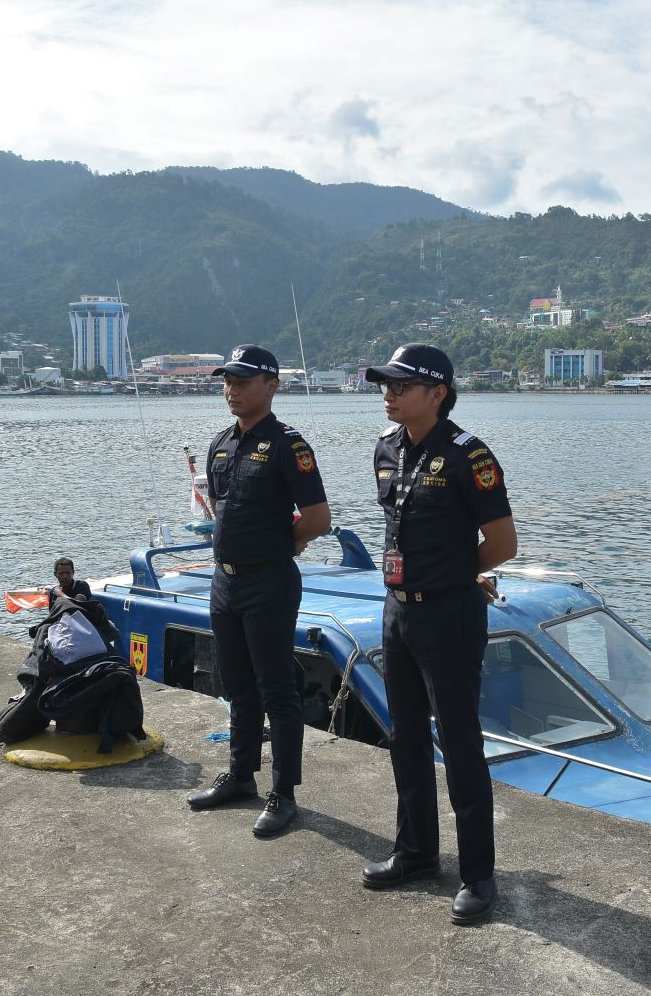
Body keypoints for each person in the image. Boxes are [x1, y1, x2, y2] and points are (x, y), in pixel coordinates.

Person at [360, 343, 517, 925]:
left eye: (401, 385)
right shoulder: (386, 449)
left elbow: (502, 543)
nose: (389, 393)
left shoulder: (468, 455)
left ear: (438, 394)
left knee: (459, 739)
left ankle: (478, 873)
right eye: (386, 385)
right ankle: (417, 851)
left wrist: (456, 576)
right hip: (396, 610)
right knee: (404, 735)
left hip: (449, 613)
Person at [185, 344, 331, 838]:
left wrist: (274, 547)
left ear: (271, 385)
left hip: (269, 581)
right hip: (224, 581)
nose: (232, 390)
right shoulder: (222, 444)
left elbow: (317, 518)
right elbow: (223, 509)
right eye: (227, 380)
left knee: (277, 690)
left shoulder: (289, 445)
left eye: (243, 381)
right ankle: (241, 776)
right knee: (236, 684)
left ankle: (283, 793)